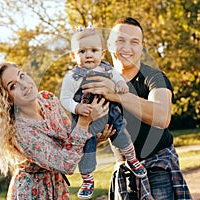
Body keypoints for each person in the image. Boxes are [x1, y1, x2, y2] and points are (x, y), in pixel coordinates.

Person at [82, 17, 192, 199]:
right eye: (120, 41)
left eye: (134, 42)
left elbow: (162, 117)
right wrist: (98, 137)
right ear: (108, 46)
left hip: (158, 168)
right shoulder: (98, 81)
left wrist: (117, 95)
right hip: (123, 169)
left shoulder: (154, 77)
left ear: (141, 47)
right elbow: (85, 129)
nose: (127, 48)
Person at [0, 62, 113, 200]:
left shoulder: (48, 99)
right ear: (7, 99)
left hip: (57, 186)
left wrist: (93, 139)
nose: (24, 85)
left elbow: (69, 142)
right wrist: (84, 122)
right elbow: (65, 164)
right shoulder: (21, 132)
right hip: (33, 191)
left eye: (22, 76)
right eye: (13, 86)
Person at [60, 27, 147, 199]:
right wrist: (77, 107)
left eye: (93, 50)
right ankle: (87, 179)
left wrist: (121, 84)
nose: (89, 55)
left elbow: (117, 79)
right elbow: (65, 99)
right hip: (87, 120)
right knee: (87, 148)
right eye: (82, 51)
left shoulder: (107, 70)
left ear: (102, 52)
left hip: (110, 114)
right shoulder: (72, 77)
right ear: (73, 56)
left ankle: (132, 160)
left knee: (121, 134)